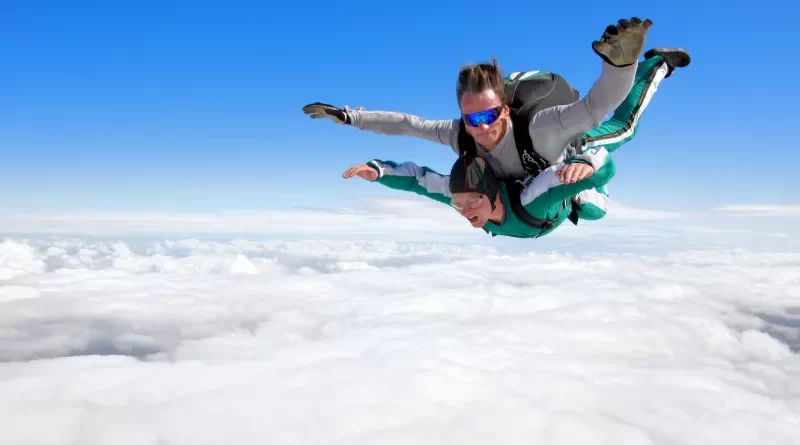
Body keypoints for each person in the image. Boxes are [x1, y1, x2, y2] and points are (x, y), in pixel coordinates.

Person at [303, 17, 690, 221]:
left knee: (622, 129)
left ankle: (654, 65)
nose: (481, 127)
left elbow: (594, 107)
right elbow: (407, 124)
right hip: (534, 181)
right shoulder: (461, 134)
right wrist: (349, 117)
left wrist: (619, 65)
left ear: (504, 109)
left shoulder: (540, 128)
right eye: (470, 118)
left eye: (489, 114)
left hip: (569, 147)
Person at [341, 151, 613, 239]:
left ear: (494, 195)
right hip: (535, 220)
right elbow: (417, 180)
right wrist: (378, 171)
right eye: (458, 204)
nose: (466, 211)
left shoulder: (535, 199)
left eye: (473, 201)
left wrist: (587, 162)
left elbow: (604, 169)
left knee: (599, 210)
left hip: (570, 196)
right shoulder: (461, 200)